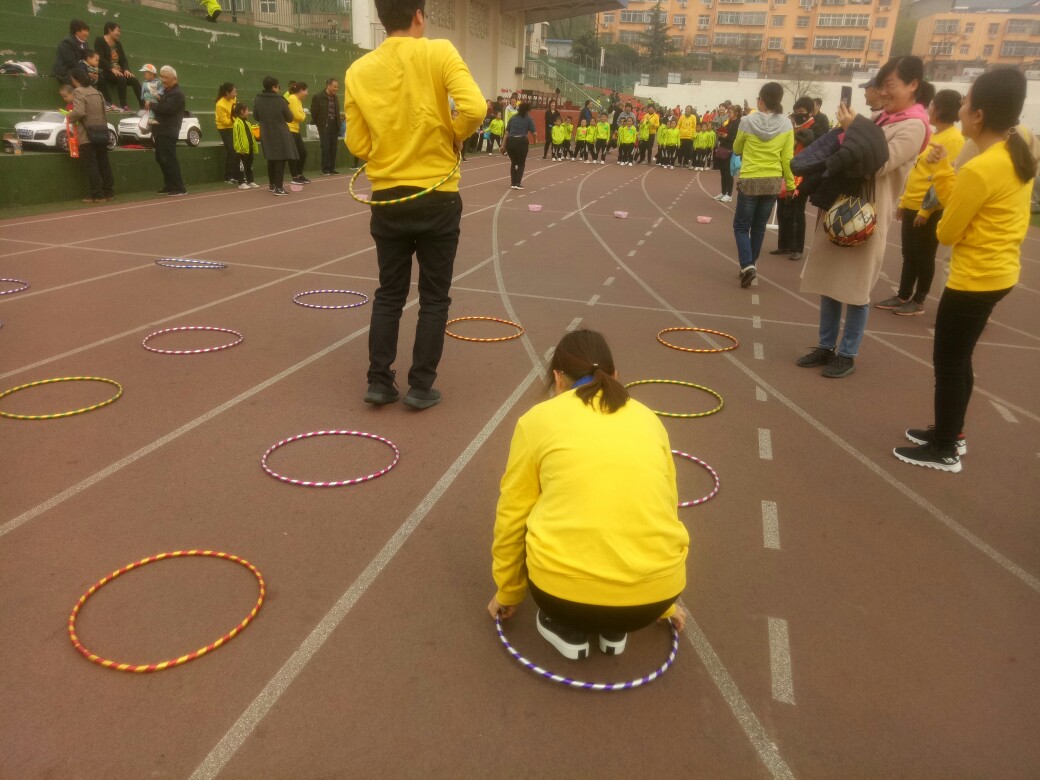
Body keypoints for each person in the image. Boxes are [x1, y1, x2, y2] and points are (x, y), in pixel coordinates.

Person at [488, 329, 689, 661]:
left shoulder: (537, 420)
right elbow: (666, 508)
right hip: (651, 602)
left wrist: (508, 592)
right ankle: (614, 627)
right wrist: (664, 603)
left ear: (558, 378)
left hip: (562, 598)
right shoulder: (650, 420)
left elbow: (512, 513)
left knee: (535, 507)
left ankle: (564, 627)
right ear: (615, 376)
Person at [344, 0, 483, 410]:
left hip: (388, 195)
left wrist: (386, 150)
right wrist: (454, 135)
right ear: (418, 15)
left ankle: (378, 381)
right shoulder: (440, 51)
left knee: (389, 293)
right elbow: (475, 108)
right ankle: (421, 386)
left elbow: (356, 142)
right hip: (437, 195)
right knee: (434, 297)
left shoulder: (358, 70)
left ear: (382, 17)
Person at [893, 69, 1033, 472]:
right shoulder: (1017, 148)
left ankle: (945, 449)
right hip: (999, 273)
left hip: (975, 279)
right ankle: (951, 433)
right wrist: (944, 170)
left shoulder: (982, 167)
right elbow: (966, 208)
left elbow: (948, 231)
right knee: (960, 358)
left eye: (967, 102)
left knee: (950, 364)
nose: (961, 108)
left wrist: (942, 172)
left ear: (979, 115)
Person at [796, 56, 933, 378]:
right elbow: (844, 151)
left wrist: (853, 129)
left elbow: (878, 164)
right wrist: (852, 131)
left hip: (866, 215)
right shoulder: (879, 118)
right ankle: (826, 346)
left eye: (890, 85)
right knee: (829, 281)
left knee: (857, 289)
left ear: (913, 85)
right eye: (880, 85)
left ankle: (848, 353)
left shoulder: (914, 126)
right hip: (841, 207)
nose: (882, 92)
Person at [875, 89, 964, 316]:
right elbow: (916, 171)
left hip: (929, 209)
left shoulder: (954, 139)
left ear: (941, 109)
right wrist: (904, 201)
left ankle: (919, 300)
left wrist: (926, 209)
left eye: (932, 105)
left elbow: (944, 177)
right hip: (913, 203)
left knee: (924, 256)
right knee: (909, 254)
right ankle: (903, 294)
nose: (929, 109)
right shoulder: (933, 135)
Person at [732, 82, 795, 288]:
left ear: (761, 100)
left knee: (742, 226)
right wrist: (791, 185)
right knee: (759, 227)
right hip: (772, 180)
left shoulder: (747, 121)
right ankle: (751, 265)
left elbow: (737, 147)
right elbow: (787, 158)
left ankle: (747, 265)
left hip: (750, 178)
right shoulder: (787, 124)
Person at [772, 96, 816, 261]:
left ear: (809, 113)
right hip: (786, 172)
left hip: (802, 176)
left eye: (801, 112)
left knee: (797, 212)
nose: (798, 114)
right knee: (783, 209)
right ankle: (784, 244)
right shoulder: (792, 127)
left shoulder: (815, 127)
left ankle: (797, 247)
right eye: (796, 111)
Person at [67, 66, 113, 204]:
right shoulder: (97, 92)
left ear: (75, 79)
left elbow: (79, 112)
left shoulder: (78, 92)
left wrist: (69, 116)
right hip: (102, 131)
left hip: (87, 134)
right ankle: (108, 192)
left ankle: (97, 194)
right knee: (103, 162)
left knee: (92, 164)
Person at [253, 75, 297, 196]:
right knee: (280, 159)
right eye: (278, 86)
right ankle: (279, 187)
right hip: (280, 132)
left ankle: (272, 185)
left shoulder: (258, 99)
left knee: (271, 158)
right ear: (274, 87)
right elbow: (289, 118)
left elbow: (256, 116)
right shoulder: (280, 100)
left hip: (265, 132)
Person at [152, 65, 187, 196]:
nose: (162, 80)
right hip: (160, 130)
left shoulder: (177, 93)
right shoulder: (166, 91)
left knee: (169, 159)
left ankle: (179, 187)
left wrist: (151, 105)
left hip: (168, 131)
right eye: (161, 76)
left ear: (174, 79)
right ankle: (169, 185)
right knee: (161, 158)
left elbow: (165, 109)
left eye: (165, 77)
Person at [94, 23, 141, 112]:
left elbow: (123, 59)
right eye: (117, 31)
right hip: (106, 70)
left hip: (118, 71)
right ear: (110, 30)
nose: (119, 33)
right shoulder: (99, 40)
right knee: (121, 79)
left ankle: (143, 106)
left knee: (134, 80)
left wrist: (126, 69)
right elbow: (100, 58)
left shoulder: (118, 43)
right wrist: (111, 68)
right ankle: (124, 105)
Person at [310, 78, 342, 175]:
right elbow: (314, 112)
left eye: (337, 87)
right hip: (324, 126)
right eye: (334, 87)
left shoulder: (335, 97)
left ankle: (332, 168)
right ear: (328, 85)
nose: (336, 89)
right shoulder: (318, 96)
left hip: (334, 125)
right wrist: (319, 123)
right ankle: (325, 169)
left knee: (333, 147)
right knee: (325, 147)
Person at [504, 100, 536, 189]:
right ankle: (517, 183)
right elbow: (534, 133)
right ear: (527, 110)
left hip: (510, 141)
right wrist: (535, 141)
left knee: (513, 162)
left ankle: (513, 183)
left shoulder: (513, 118)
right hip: (521, 142)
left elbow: (506, 133)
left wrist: (503, 145)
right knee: (521, 163)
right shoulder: (529, 119)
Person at [713, 104, 741, 202]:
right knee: (723, 171)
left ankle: (729, 195)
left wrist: (726, 136)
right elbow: (722, 136)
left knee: (729, 173)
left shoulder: (738, 123)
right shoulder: (728, 123)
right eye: (728, 112)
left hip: (731, 150)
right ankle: (723, 192)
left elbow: (736, 138)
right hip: (723, 149)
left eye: (730, 112)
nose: (728, 114)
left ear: (736, 113)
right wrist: (720, 135)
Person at [286, 81, 311, 185]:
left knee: (303, 153)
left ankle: (299, 175)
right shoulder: (292, 98)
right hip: (290, 130)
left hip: (296, 130)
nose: (307, 93)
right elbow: (298, 116)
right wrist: (303, 115)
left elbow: (300, 115)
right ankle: (294, 177)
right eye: (306, 91)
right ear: (301, 90)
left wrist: (302, 115)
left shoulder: (298, 101)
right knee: (293, 154)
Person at [52, 19, 90, 84]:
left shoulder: (85, 44)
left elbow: (86, 58)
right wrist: (86, 69)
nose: (87, 33)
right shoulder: (67, 42)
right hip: (65, 69)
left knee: (97, 74)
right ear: (77, 31)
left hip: (78, 68)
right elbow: (71, 62)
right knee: (82, 74)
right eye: (85, 31)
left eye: (88, 31)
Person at [215, 82, 239, 184]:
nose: (235, 94)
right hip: (224, 129)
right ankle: (228, 177)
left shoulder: (233, 99)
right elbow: (225, 122)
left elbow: (235, 111)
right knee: (231, 151)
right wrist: (235, 118)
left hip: (233, 127)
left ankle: (237, 175)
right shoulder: (220, 104)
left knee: (237, 150)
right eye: (234, 92)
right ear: (227, 93)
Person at [232, 103, 259, 189]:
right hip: (241, 150)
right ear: (242, 111)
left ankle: (250, 181)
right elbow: (238, 137)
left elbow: (251, 137)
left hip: (249, 148)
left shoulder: (248, 123)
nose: (248, 112)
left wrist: (253, 146)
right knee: (241, 167)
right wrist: (241, 149)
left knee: (249, 166)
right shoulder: (237, 123)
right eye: (247, 110)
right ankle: (241, 182)